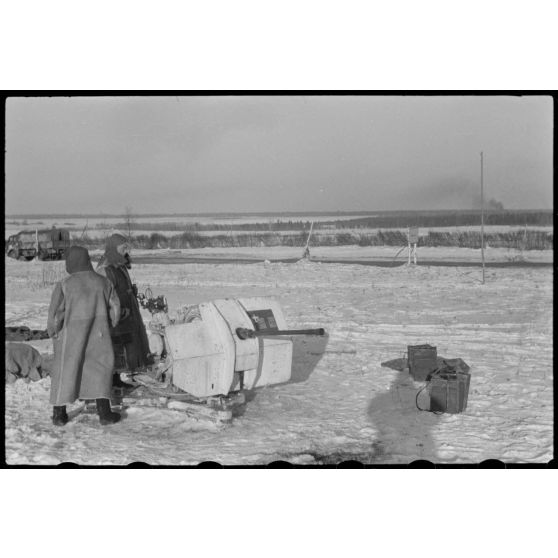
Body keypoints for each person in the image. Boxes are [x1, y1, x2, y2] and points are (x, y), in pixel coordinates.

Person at [47, 246, 121, 426]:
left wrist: (54, 331)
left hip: (70, 337)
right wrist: (110, 324)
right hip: (99, 333)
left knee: (65, 370)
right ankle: (104, 413)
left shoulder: (65, 285)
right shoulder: (104, 282)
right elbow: (115, 310)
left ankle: (59, 415)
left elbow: (56, 314)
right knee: (99, 370)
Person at [96, 233, 152, 383]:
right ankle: (112, 379)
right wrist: (115, 311)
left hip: (126, 313)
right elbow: (105, 293)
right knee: (116, 346)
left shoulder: (118, 265)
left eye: (127, 248)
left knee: (126, 344)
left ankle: (119, 376)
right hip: (116, 315)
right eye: (123, 248)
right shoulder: (106, 268)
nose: (126, 252)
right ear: (114, 248)